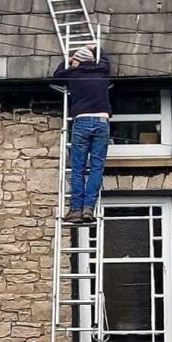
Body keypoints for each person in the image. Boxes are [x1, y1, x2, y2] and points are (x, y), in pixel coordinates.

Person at [53, 46, 111, 224]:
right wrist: (96, 47)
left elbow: (57, 75)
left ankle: (76, 210)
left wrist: (68, 60)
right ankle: (89, 208)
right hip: (102, 122)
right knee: (96, 168)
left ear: (78, 61)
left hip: (82, 122)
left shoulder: (73, 74)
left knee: (78, 168)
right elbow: (105, 61)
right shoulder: (102, 72)